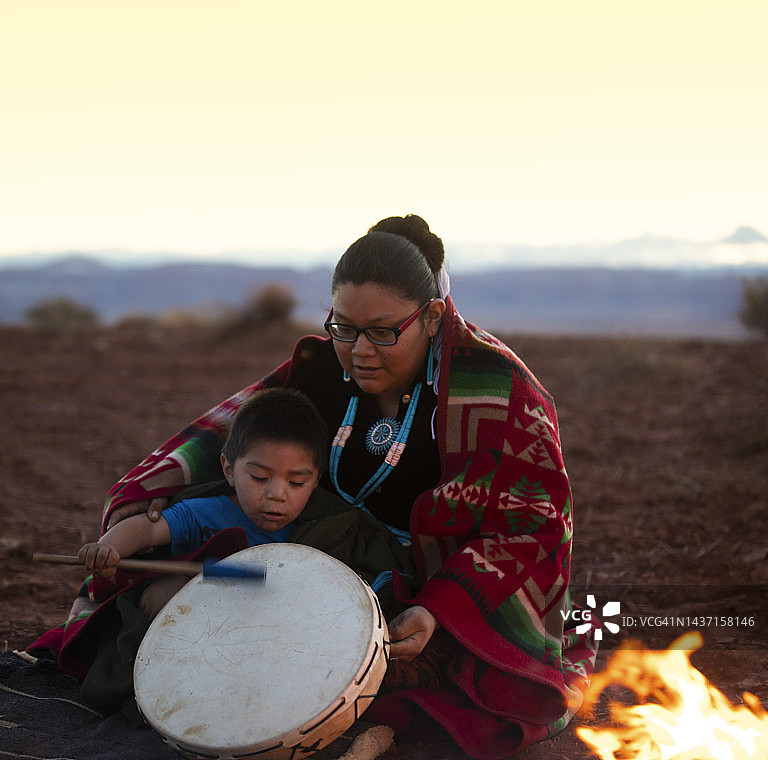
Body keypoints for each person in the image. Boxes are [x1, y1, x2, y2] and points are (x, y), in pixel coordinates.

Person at [95, 214, 598, 759]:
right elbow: (230, 438)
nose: (360, 350)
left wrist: (437, 607)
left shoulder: (502, 392)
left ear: (431, 318)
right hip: (304, 550)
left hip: (424, 580)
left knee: (472, 688)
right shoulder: (316, 371)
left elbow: (532, 528)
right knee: (171, 595)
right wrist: (143, 505)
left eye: (383, 332)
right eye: (344, 327)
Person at [77, 387, 328, 617]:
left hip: (266, 627)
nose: (277, 494)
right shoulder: (205, 513)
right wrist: (108, 547)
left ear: (316, 481)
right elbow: (149, 528)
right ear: (228, 470)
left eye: (296, 483)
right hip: (195, 622)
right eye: (259, 477)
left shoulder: (319, 530)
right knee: (163, 594)